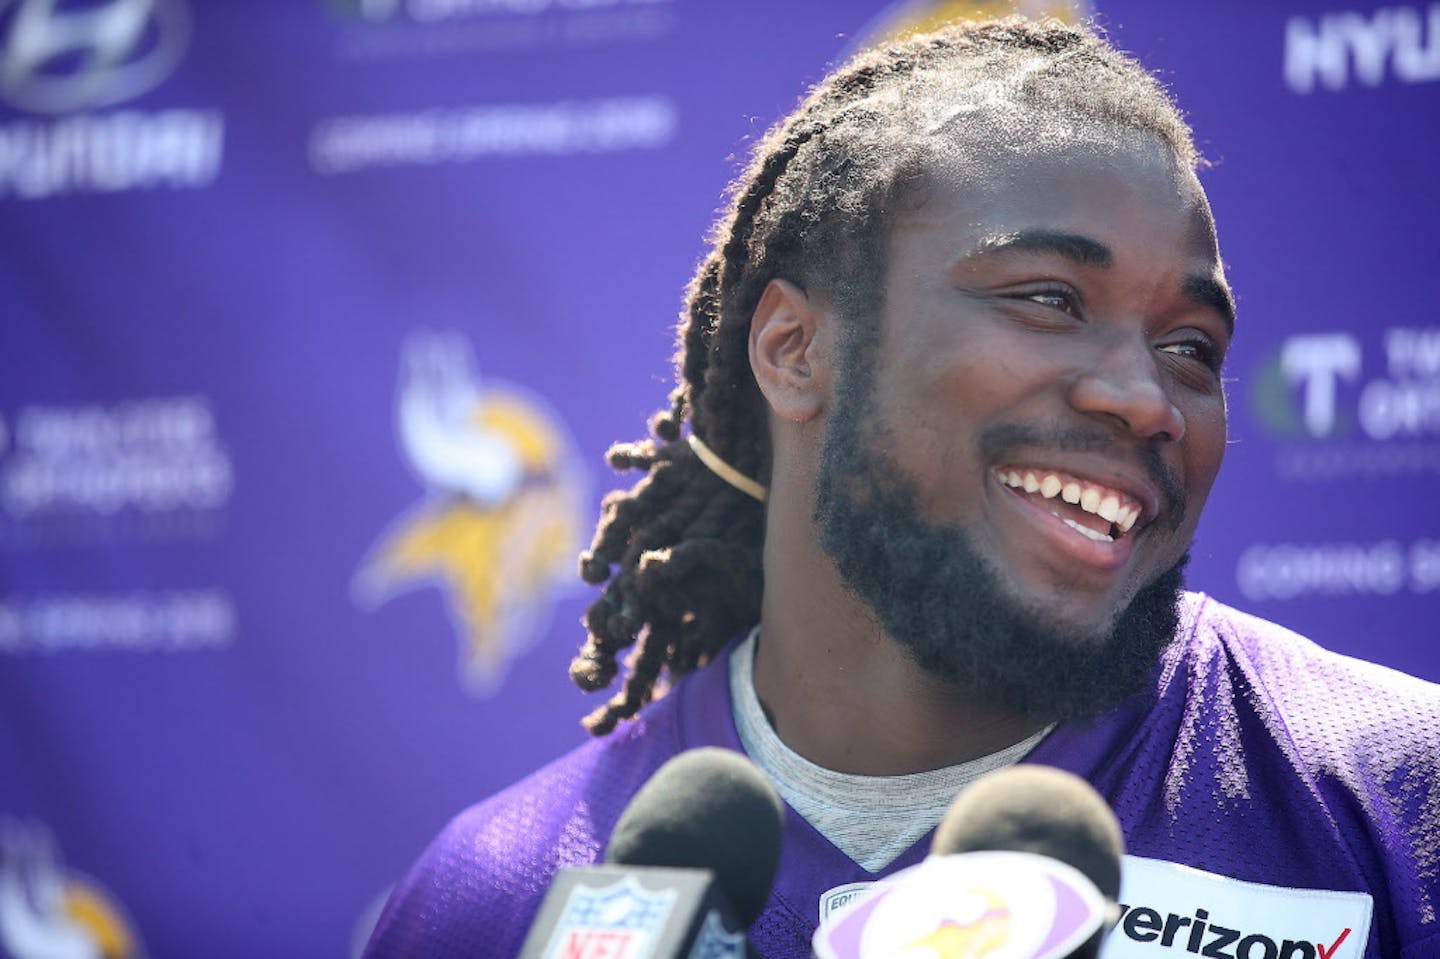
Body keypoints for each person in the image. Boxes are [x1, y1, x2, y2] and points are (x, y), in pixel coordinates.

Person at [363, 17, 1440, 959]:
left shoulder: (1392, 801)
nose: (1147, 399)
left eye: (1191, 347)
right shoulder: (499, 895)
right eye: (1052, 297)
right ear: (795, 350)